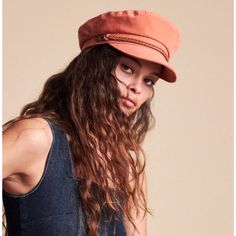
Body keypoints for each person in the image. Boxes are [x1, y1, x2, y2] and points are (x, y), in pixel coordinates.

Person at [3, 10, 180, 236]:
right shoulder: (36, 138)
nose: (137, 87)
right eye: (127, 68)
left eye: (148, 81)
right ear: (94, 67)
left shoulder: (127, 166)